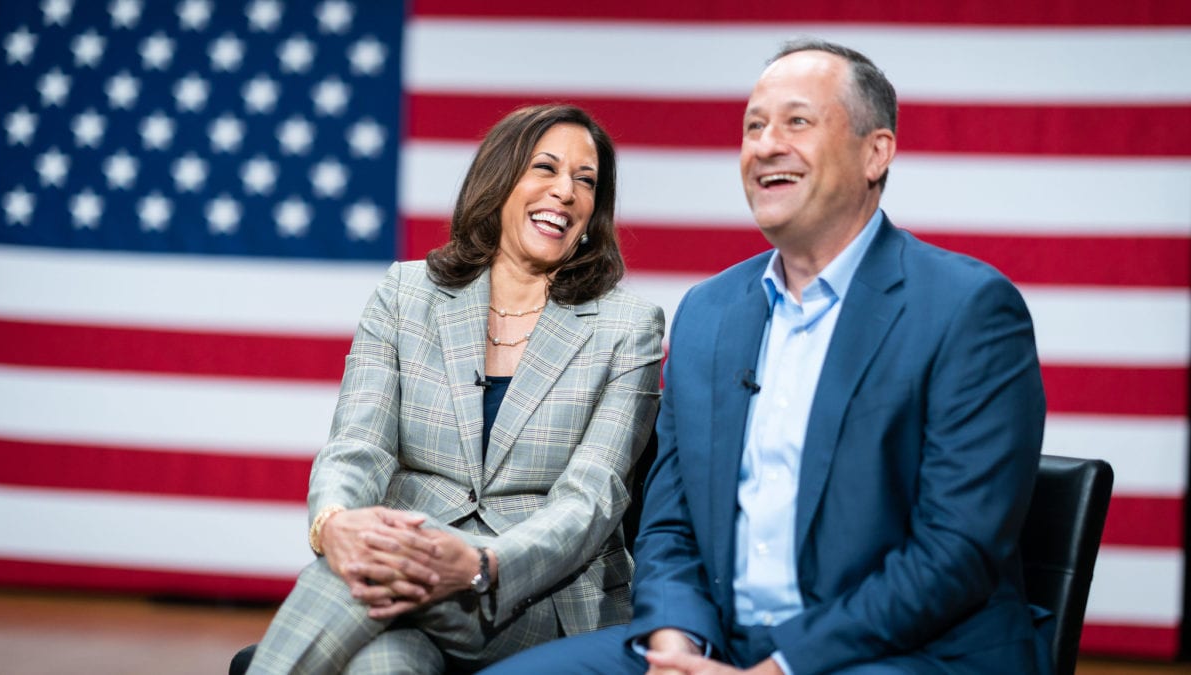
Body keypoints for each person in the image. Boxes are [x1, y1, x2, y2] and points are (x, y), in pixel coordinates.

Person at [481, 38, 1049, 675]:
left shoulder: (968, 309)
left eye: (797, 122)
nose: (765, 145)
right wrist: (674, 647)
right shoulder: (708, 313)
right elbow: (669, 525)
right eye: (754, 126)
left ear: (876, 152)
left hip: (907, 652)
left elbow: (956, 554)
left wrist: (782, 668)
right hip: (715, 645)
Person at [246, 104, 665, 674]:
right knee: (387, 664)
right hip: (413, 558)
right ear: (499, 182)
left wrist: (477, 562)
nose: (565, 192)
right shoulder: (405, 293)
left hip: (536, 595)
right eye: (545, 168)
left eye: (585, 181)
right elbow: (357, 446)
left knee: (365, 574)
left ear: (593, 212)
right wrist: (336, 523)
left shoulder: (628, 327)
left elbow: (590, 501)